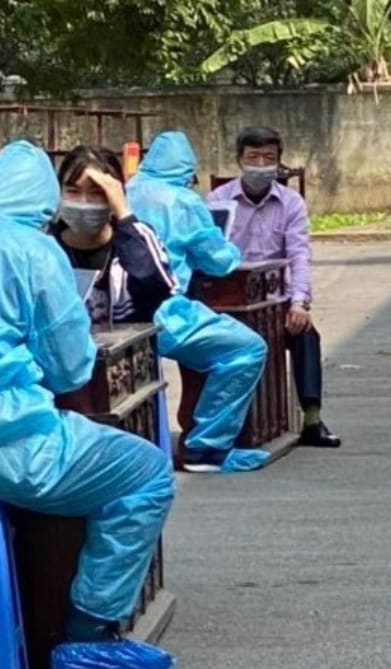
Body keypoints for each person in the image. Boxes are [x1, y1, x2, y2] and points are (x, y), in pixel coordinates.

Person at [0, 141, 175, 656]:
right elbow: (70, 368)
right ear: (46, 205)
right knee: (146, 472)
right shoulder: (30, 249)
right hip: (4, 437)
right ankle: (86, 635)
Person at [127, 131, 272, 473]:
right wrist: (230, 248)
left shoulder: (125, 191)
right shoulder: (183, 201)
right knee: (246, 349)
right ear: (186, 170)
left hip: (117, 310)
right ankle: (206, 448)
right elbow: (218, 261)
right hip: (165, 311)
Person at [207, 127, 341, 448]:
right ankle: (221, 425)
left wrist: (299, 303)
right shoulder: (217, 200)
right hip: (230, 302)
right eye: (253, 157)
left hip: (275, 300)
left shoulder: (291, 203)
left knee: (306, 335)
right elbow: (205, 251)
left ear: (279, 163)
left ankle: (312, 417)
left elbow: (299, 254)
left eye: (269, 158)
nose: (260, 164)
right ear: (240, 160)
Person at [49, 146, 177, 325]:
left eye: (97, 193)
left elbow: (160, 289)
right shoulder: (45, 246)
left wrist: (123, 213)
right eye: (73, 192)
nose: (84, 203)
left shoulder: (135, 240)